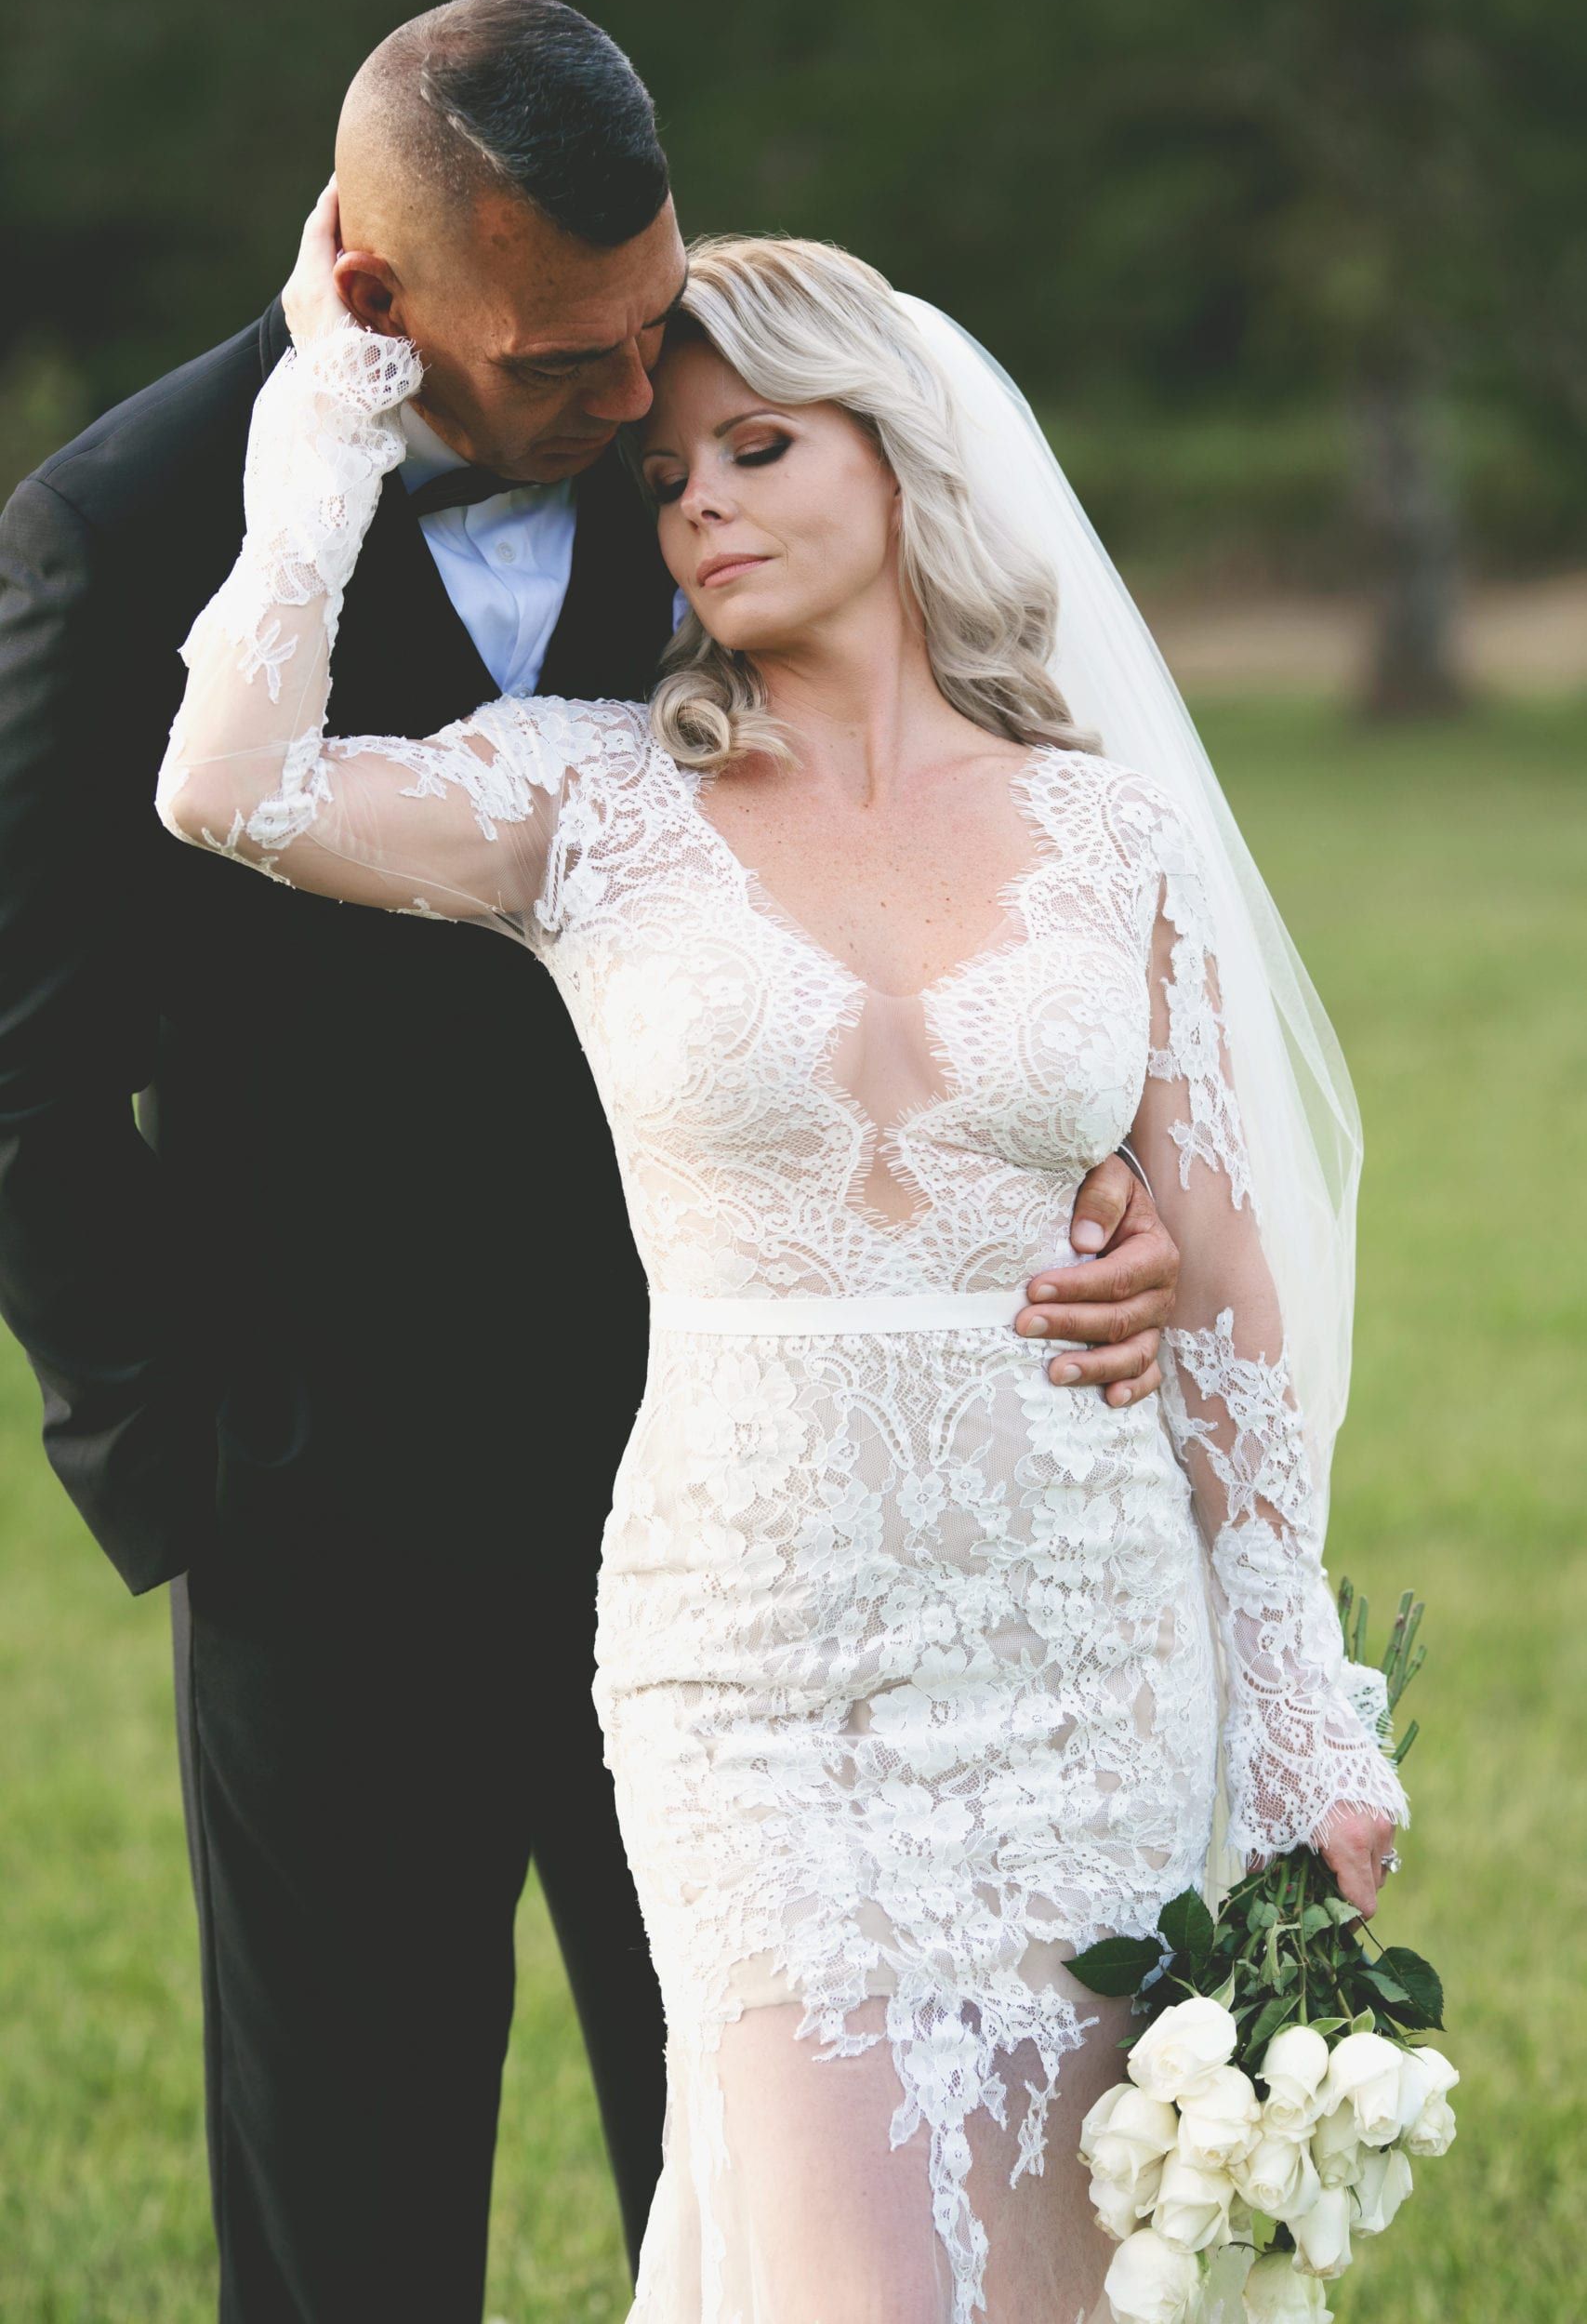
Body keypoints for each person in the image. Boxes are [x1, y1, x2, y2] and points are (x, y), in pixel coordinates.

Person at [0, 0, 1183, 2321]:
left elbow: (942, 879)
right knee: (351, 2213)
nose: (639, 405)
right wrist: (201, 1459)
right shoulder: (124, 529)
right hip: (338, 1517)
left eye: (651, 331)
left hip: (789, 1538)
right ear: (381, 290)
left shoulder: (728, 448)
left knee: (784, 2193)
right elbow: (17, 1046)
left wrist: (1077, 1174)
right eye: (566, 356)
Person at [153, 185, 1411, 2321]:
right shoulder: (591, 799)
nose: (698, 509)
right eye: (664, 477)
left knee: (1064, 2281)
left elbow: (1214, 1283)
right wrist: (336, 404)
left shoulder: (1100, 824)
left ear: (898, 457)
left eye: (758, 449)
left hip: (1083, 1649)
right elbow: (229, 779)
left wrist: (1298, 1704)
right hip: (757, 1659)